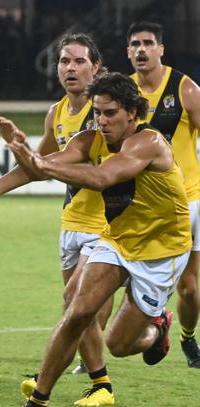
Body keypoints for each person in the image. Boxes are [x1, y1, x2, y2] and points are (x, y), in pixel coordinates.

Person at [0, 72, 191, 407]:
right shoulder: (90, 139)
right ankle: (37, 406)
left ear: (133, 112)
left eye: (110, 113)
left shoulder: (148, 142)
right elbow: (45, 168)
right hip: (117, 240)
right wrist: (24, 154)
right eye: (98, 113)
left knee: (119, 345)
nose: (102, 121)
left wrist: (40, 165)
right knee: (77, 312)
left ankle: (157, 329)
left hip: (161, 251)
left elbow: (103, 178)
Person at [0, 34, 115, 407]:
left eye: (79, 61)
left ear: (95, 67)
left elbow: (56, 163)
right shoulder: (57, 112)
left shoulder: (105, 114)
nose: (70, 68)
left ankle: (100, 385)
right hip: (72, 222)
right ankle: (78, 378)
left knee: (75, 301)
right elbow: (39, 167)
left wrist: (24, 153)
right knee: (76, 312)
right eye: (64, 61)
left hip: (107, 224)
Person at [127, 21, 200, 368]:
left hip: (190, 200)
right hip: (143, 205)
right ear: (128, 52)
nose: (141, 49)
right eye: (135, 44)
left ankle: (186, 336)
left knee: (189, 288)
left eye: (148, 43)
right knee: (113, 277)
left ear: (161, 49)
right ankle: (91, 347)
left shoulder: (185, 89)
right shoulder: (122, 93)